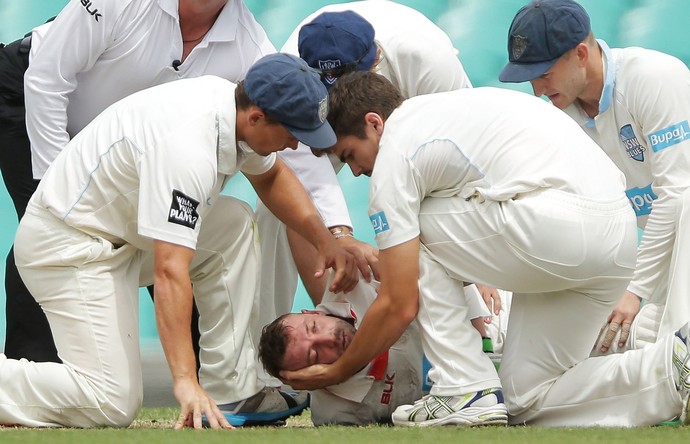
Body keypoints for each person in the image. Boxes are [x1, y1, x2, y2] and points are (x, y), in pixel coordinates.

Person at [280, 71, 690, 427]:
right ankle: (673, 366)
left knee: (410, 228)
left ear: (374, 124)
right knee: (525, 395)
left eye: (350, 155)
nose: (355, 170)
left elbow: (400, 302)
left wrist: (336, 370)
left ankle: (465, 386)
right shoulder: (446, 110)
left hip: (559, 229)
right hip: (612, 237)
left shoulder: (397, 153)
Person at [0, 53, 358, 429]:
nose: (291, 145)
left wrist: (326, 241)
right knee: (110, 402)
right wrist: (186, 381)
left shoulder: (233, 107)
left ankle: (230, 391)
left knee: (234, 223)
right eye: (291, 134)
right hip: (70, 248)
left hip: (119, 236)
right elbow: (170, 271)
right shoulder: (188, 148)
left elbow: (272, 178)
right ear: (257, 118)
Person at [0, 0, 273, 367]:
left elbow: (281, 156)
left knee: (171, 232)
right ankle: (32, 371)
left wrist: (332, 234)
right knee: (48, 235)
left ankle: (215, 380)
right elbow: (46, 78)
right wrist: (58, 193)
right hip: (30, 93)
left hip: (131, 144)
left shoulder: (253, 49)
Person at [252, 3, 482, 375]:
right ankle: (317, 341)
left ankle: (476, 329)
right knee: (282, 208)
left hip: (422, 115)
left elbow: (465, 160)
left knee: (436, 201)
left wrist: (478, 279)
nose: (359, 173)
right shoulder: (297, 60)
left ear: (373, 63)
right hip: (348, 115)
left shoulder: (425, 58)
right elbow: (301, 176)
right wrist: (338, 239)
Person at [498, 0, 690, 354]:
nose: (537, 90)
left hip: (682, 231)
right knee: (629, 344)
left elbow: (677, 195)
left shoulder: (655, 77)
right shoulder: (558, 116)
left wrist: (635, 291)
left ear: (581, 54)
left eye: (544, 73)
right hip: (664, 245)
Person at [258, 262, 502, 426]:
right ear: (306, 377)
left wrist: (476, 279)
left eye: (314, 327)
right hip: (479, 386)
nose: (328, 338)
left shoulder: (354, 280)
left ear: (312, 312)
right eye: (315, 354)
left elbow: (431, 263)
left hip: (494, 314)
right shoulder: (335, 414)